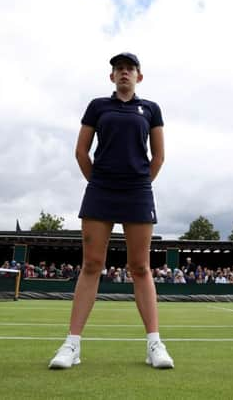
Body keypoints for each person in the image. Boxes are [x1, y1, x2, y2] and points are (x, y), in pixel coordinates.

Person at [48, 52, 174, 370]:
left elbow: (158, 156)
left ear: (139, 77)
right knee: (91, 264)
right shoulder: (97, 106)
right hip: (101, 190)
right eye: (119, 69)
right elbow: (81, 151)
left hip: (137, 192)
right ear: (112, 76)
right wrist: (99, 182)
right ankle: (72, 345)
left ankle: (154, 344)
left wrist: (139, 183)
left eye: (130, 69)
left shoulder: (151, 109)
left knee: (141, 267)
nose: (124, 73)